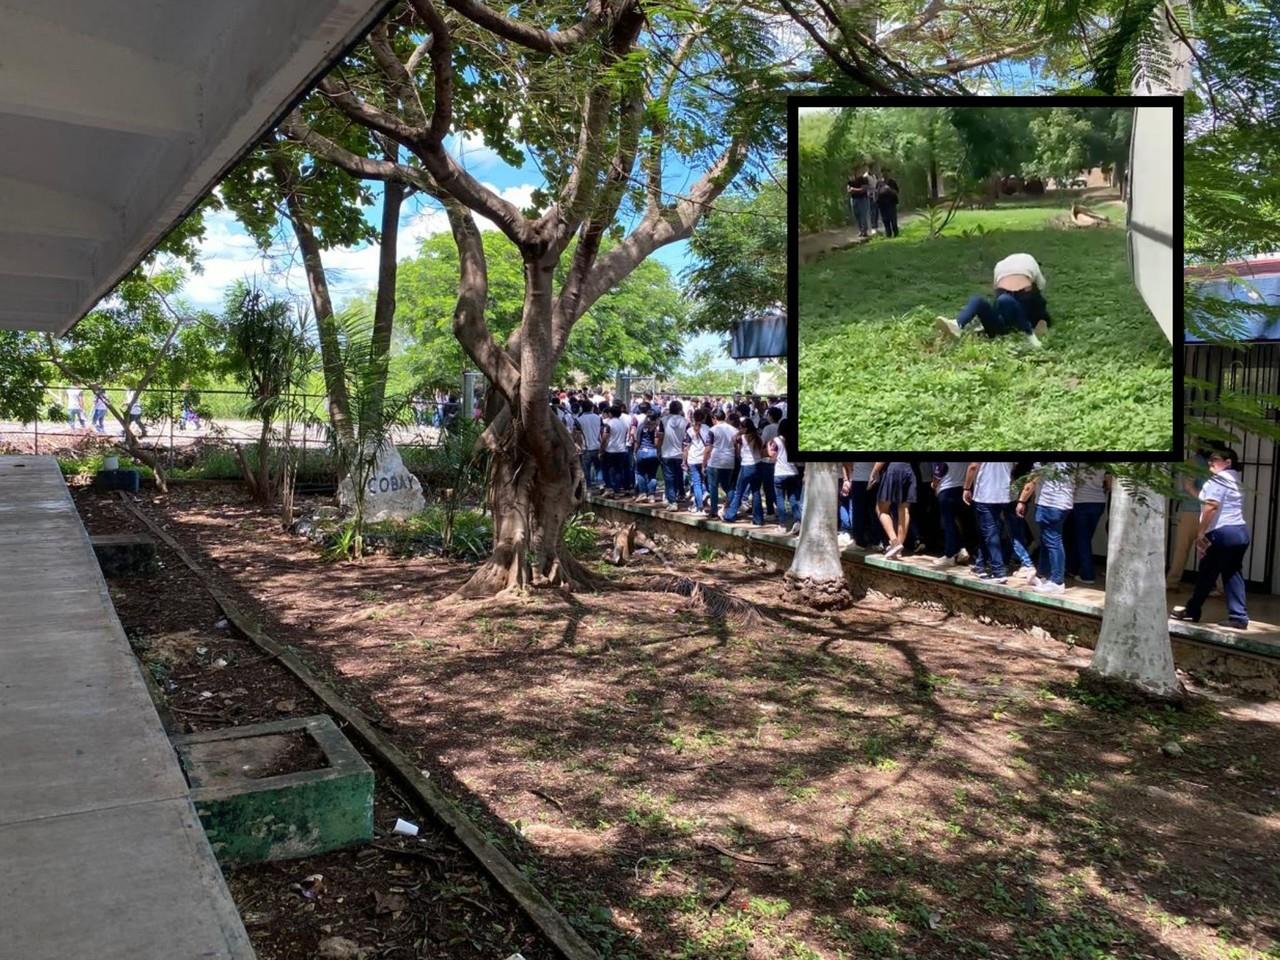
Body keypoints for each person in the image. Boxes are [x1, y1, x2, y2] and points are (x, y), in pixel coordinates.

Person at [1172, 448, 1250, 629]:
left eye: (1215, 459)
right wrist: (1191, 488)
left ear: (1228, 461)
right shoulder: (1235, 479)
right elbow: (1207, 498)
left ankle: (1192, 611)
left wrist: (1201, 533)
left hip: (1222, 532)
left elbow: (1211, 505)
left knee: (1207, 573)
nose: (1210, 463)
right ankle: (1238, 617)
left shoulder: (1219, 479)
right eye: (1210, 459)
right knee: (1232, 574)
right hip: (1239, 532)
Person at [936, 253, 1051, 348]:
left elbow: (997, 291)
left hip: (1013, 321)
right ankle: (957, 324)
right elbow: (1041, 286)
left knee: (1002, 299)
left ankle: (1031, 333)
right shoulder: (1029, 262)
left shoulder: (1000, 267)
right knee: (982, 300)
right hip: (1004, 326)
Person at [964, 461, 1030, 583]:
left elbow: (973, 466)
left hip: (986, 494)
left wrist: (966, 488)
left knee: (990, 533)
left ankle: (998, 572)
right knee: (994, 532)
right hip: (1007, 494)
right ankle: (980, 565)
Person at [1017, 463, 1074, 594]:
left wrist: (1021, 501)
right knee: (1048, 541)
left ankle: (1057, 581)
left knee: (1053, 542)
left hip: (1049, 503)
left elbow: (1032, 480)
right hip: (1064, 503)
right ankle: (1045, 575)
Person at [1167, 451, 1209, 587]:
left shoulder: (1193, 462)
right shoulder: (1211, 462)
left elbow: (1185, 486)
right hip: (1206, 512)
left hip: (1190, 509)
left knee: (1182, 549)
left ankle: (1172, 582)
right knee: (1212, 550)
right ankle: (1220, 586)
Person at [722, 419, 766, 526]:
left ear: (745, 428)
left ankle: (730, 515)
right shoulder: (759, 438)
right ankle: (758, 519)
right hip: (758, 466)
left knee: (739, 492)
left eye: (741, 427)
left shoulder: (742, 438)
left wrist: (739, 432)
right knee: (756, 492)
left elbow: (733, 440)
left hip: (746, 466)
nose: (740, 429)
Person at [1070, 466, 1109, 584]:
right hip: (1099, 502)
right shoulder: (1104, 464)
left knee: (1083, 540)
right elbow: (1109, 485)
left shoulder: (1079, 464)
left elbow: (1072, 483)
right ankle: (1075, 568)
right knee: (1086, 538)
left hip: (1081, 501)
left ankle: (1087, 575)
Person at [868, 461, 916, 559]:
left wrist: (873, 472)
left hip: (893, 469)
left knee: (880, 508)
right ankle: (898, 548)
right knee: (904, 509)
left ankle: (895, 542)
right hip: (910, 469)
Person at [932, 461, 972, 568]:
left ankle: (949, 555)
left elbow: (939, 470)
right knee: (957, 523)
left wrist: (934, 484)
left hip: (946, 490)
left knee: (948, 524)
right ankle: (961, 548)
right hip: (961, 490)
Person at [705, 408, 739, 518]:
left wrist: (704, 461)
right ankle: (730, 507)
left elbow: (708, 448)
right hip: (729, 461)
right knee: (728, 486)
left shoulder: (713, 430)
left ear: (714, 418)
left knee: (713, 486)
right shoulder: (734, 430)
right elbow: (737, 447)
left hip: (715, 461)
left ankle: (713, 511)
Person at [769, 418, 801, 535]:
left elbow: (772, 457)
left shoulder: (776, 441)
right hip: (793, 472)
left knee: (780, 498)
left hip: (780, 473)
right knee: (794, 499)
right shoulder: (795, 440)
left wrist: (768, 447)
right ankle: (797, 521)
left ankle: (782, 525)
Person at [659, 400, 688, 510]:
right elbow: (686, 439)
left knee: (669, 477)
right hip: (679, 453)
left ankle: (672, 500)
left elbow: (660, 437)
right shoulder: (685, 421)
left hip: (667, 452)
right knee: (677, 476)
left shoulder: (664, 420)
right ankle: (676, 495)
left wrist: (658, 448)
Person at [685, 409, 712, 514]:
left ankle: (699, 506)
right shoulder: (708, 429)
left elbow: (686, 447)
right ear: (704, 418)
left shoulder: (689, 430)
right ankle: (704, 496)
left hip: (693, 458)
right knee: (704, 481)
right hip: (704, 459)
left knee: (696, 483)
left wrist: (684, 460)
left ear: (693, 418)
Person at [599, 403, 630, 496]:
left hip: (610, 450)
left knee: (606, 469)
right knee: (618, 470)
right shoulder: (624, 424)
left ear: (610, 414)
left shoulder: (608, 424)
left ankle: (609, 487)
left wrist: (601, 450)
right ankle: (616, 488)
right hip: (621, 450)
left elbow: (604, 438)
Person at [632, 412, 662, 502]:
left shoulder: (642, 426)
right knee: (652, 474)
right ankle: (651, 495)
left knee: (640, 473)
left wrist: (634, 452)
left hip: (642, 451)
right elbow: (659, 442)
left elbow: (637, 441)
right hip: (654, 452)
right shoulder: (658, 428)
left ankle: (643, 493)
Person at [576, 401, 603, 489]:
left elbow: (578, 435)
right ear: (592, 407)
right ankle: (600, 485)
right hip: (597, 446)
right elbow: (601, 432)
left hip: (585, 448)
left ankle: (589, 486)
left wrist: (578, 445)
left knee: (586, 469)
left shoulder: (579, 420)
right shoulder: (598, 418)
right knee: (598, 467)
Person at [847, 167, 870, 238]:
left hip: (862, 199)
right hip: (853, 199)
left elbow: (864, 189)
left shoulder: (864, 179)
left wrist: (854, 189)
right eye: (854, 171)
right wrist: (851, 190)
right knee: (856, 215)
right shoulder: (851, 180)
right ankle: (860, 230)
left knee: (863, 215)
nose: (855, 172)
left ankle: (865, 231)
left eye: (857, 170)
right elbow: (848, 189)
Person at [877, 168, 900, 238]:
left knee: (893, 220)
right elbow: (876, 192)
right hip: (882, 205)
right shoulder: (879, 183)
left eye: (886, 172)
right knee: (885, 220)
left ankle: (896, 233)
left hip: (891, 203)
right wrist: (880, 191)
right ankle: (888, 234)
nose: (884, 174)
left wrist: (889, 189)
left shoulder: (892, 182)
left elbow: (896, 192)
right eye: (883, 172)